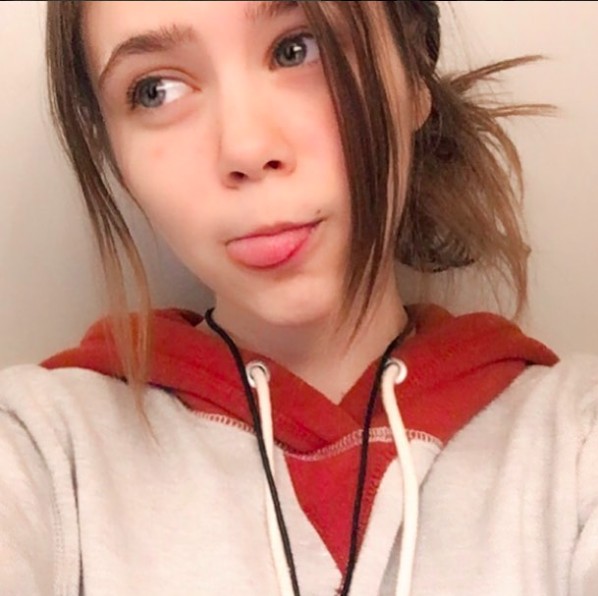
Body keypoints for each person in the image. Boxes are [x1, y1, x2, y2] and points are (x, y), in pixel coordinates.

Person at [1, 1, 596, 594]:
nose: (245, 149)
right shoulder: (38, 449)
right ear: (112, 149)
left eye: (297, 48)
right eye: (155, 90)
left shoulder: (575, 441)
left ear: (413, 73)